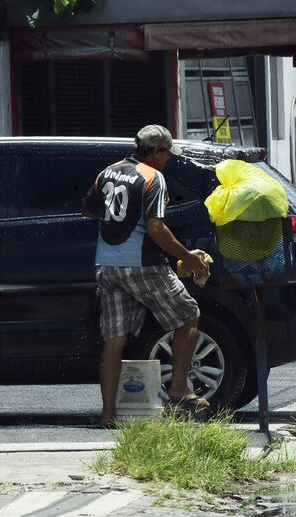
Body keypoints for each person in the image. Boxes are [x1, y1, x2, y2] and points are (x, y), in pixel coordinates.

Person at [82, 124, 210, 427]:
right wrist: (188, 257)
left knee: (114, 339)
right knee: (188, 314)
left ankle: (108, 415)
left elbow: (89, 210)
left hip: (106, 266)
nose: (168, 160)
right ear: (155, 151)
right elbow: (155, 228)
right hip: (141, 263)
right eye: (166, 154)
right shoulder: (154, 177)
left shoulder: (108, 172)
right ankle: (179, 387)